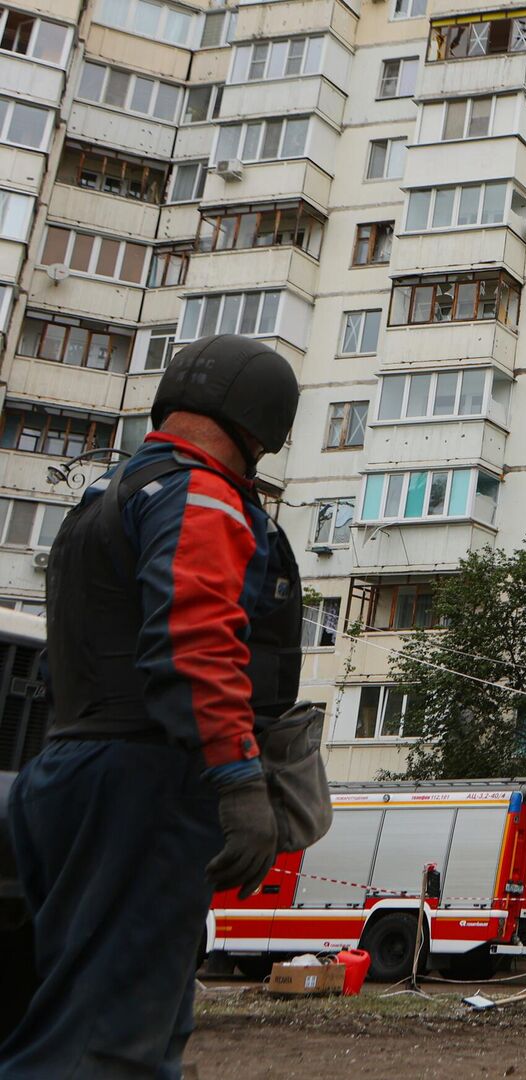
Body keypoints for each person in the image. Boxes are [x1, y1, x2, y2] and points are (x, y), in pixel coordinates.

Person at [2, 335, 303, 1078]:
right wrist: (236, 777)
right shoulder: (201, 494)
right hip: (145, 783)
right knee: (105, 1043)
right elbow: (197, 639)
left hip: (66, 770)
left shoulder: (105, 500)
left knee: (98, 1012)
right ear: (261, 429)